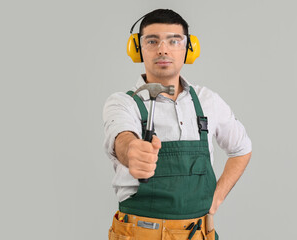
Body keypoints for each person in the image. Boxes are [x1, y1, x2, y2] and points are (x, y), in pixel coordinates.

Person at [103, 9, 252, 240]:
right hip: (140, 234)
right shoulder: (123, 103)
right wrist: (132, 152)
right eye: (152, 41)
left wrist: (217, 197)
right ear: (137, 49)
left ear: (189, 49)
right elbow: (121, 137)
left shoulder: (208, 101)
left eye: (174, 40)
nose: (163, 49)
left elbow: (241, 149)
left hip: (198, 233)